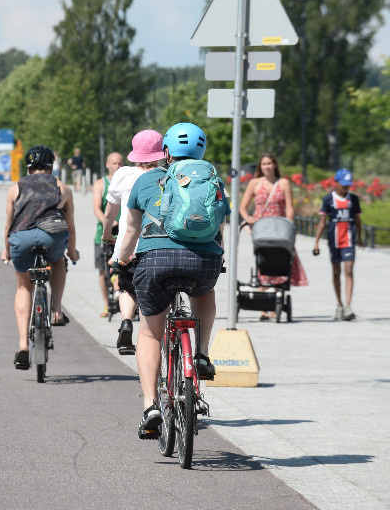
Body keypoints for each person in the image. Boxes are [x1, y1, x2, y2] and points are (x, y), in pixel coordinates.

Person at [113, 123, 228, 437]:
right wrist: (218, 259)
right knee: (205, 294)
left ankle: (151, 405)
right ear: (201, 151)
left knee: (151, 333)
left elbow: (132, 232)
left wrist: (121, 262)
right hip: (203, 259)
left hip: (156, 260)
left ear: (165, 152)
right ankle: (201, 354)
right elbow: (219, 227)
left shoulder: (147, 180)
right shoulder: (214, 180)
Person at [2, 145, 80, 370]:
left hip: (22, 239)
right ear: (51, 166)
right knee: (58, 262)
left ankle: (23, 346)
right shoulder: (62, 188)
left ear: (28, 167)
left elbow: (8, 225)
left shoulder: (15, 188)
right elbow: (71, 226)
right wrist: (71, 252)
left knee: (23, 286)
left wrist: (6, 251)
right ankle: (56, 310)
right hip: (52, 237)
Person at [101, 130, 166, 354]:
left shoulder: (123, 174)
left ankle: (126, 321)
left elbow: (110, 212)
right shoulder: (167, 174)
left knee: (125, 284)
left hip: (128, 242)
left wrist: (107, 233)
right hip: (158, 243)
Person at [239, 152, 308, 319]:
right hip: (261, 229)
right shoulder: (255, 183)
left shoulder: (283, 183)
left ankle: (274, 300)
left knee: (279, 260)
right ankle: (264, 304)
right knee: (262, 261)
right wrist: (249, 219)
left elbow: (290, 207)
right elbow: (243, 206)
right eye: (264, 164)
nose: (267, 167)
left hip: (279, 229)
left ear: (275, 165)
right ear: (260, 167)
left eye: (270, 163)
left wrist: (289, 226)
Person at [313, 168, 362, 321]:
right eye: (343, 184)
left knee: (349, 270)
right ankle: (339, 304)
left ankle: (348, 306)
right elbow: (322, 222)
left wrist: (360, 238)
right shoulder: (328, 200)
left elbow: (358, 220)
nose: (346, 187)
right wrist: (316, 242)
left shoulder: (353, 200)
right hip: (334, 241)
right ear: (336, 183)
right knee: (336, 272)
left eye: (348, 185)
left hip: (349, 240)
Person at [93, 152, 124, 317]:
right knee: (102, 271)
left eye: (120, 163)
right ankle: (107, 305)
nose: (117, 166)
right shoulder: (101, 184)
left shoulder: (127, 182)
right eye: (114, 163)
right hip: (103, 234)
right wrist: (108, 223)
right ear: (107, 165)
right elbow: (97, 207)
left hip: (124, 233)